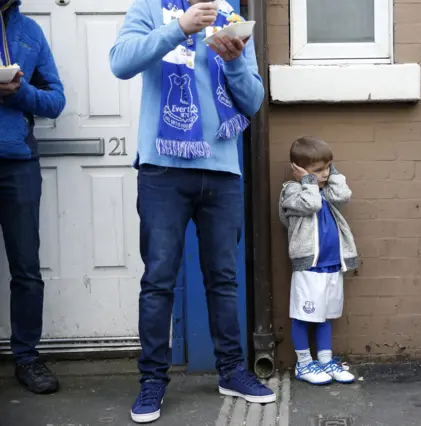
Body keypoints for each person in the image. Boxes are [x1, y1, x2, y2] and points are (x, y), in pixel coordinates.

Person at [109, 0, 275, 423]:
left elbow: (253, 101)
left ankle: (232, 371)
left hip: (221, 170)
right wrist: (178, 27)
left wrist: (235, 62)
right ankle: (151, 382)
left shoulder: (233, 18)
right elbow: (121, 63)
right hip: (163, 168)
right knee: (159, 279)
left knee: (223, 278)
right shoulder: (149, 8)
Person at [0, 0, 65, 394]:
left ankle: (26, 358)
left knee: (26, 269)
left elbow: (56, 100)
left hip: (18, 164)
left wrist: (19, 92)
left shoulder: (30, 33)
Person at [279, 136, 358, 385]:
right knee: (304, 316)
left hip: (332, 265)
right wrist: (308, 181)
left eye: (327, 168)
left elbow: (343, 195)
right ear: (299, 171)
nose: (323, 175)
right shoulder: (291, 191)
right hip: (309, 268)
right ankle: (304, 364)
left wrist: (330, 171)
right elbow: (311, 204)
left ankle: (324, 360)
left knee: (325, 316)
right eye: (318, 170)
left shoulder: (326, 190)